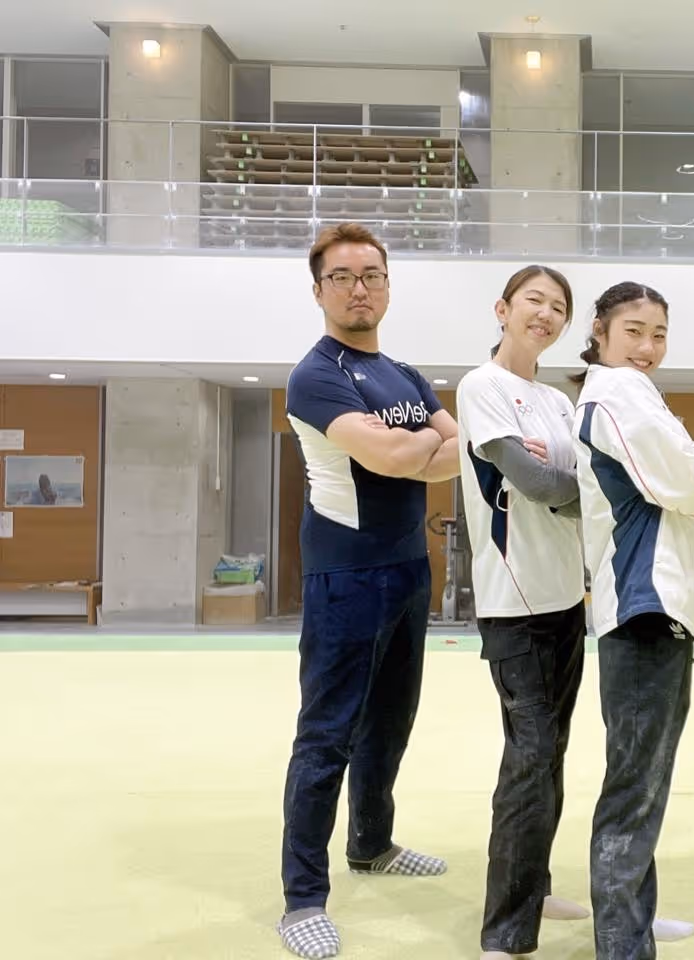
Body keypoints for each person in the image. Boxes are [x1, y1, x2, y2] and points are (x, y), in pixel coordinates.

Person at [278, 222, 461, 960]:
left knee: (390, 722)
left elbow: (461, 448)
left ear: (387, 285)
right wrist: (420, 450)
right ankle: (302, 898)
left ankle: (372, 844)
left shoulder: (405, 374)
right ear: (319, 290)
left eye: (372, 275)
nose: (360, 288)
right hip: (344, 575)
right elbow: (392, 455)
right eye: (343, 277)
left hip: (410, 567)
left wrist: (416, 453)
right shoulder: (315, 375)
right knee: (327, 735)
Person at [573, 282, 694, 960]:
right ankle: (622, 946)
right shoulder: (616, 394)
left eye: (659, 333)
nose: (647, 346)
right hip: (644, 610)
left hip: (656, 612)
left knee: (642, 787)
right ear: (601, 332)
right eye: (633, 331)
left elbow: (684, 478)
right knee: (634, 792)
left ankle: (631, 930)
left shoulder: (635, 394)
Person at [455, 265, 592, 960]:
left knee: (552, 755)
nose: (545, 313)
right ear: (503, 309)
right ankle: (504, 931)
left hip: (569, 599)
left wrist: (572, 484)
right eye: (533, 300)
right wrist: (576, 487)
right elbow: (539, 483)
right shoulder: (481, 387)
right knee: (529, 757)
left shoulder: (558, 402)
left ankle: (534, 889)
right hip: (516, 606)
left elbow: (581, 477)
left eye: (558, 306)